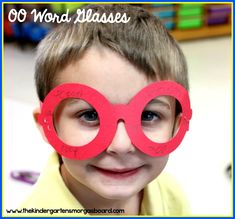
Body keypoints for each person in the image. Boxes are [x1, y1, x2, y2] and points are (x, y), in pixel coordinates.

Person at [20, 4, 192, 216]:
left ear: (176, 124)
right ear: (47, 125)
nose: (121, 145)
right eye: (90, 115)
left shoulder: (170, 195)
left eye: (148, 115)